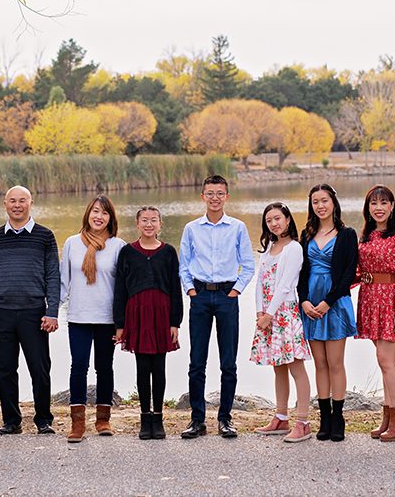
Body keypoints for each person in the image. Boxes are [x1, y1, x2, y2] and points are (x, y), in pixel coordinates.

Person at [0, 185, 60, 435]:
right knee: (5, 369)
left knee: (39, 368)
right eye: (12, 201)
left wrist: (52, 311)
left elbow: (53, 275)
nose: (17, 205)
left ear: (30, 203)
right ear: (5, 204)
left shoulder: (45, 236)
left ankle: (43, 420)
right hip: (1, 312)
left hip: (34, 312)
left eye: (22, 200)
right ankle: (11, 421)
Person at [179, 174, 255, 439]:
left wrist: (235, 291)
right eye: (210, 193)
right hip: (200, 295)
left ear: (226, 197)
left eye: (219, 193)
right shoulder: (192, 228)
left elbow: (248, 264)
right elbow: (184, 264)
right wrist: (190, 290)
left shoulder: (237, 227)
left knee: (228, 362)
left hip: (226, 296)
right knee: (197, 361)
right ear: (203, 196)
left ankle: (225, 418)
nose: (215, 198)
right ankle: (197, 420)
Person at [355, 185, 395, 442]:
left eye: (384, 203)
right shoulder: (367, 236)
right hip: (370, 300)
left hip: (391, 301)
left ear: (392, 207)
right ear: (367, 208)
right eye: (374, 203)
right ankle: (388, 414)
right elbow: (357, 271)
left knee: (387, 360)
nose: (378, 208)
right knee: (383, 361)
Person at [59, 195, 127, 442]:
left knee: (104, 367)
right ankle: (77, 424)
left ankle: (103, 420)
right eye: (95, 211)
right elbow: (63, 282)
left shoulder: (118, 246)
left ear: (111, 218)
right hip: (78, 316)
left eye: (104, 213)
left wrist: (122, 323)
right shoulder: (72, 243)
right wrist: (50, 311)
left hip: (107, 318)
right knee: (78, 367)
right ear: (88, 214)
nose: (99, 217)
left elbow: (122, 288)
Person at [113, 206, 183, 440]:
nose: (149, 224)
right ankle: (145, 418)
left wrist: (175, 322)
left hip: (162, 314)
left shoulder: (168, 252)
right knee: (142, 367)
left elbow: (175, 289)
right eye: (144, 220)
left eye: (154, 220)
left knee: (159, 367)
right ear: (137, 224)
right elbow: (120, 289)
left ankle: (158, 418)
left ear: (160, 224)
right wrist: (120, 324)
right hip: (138, 314)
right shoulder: (127, 252)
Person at [297, 183, 358, 443]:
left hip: (335, 303)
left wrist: (328, 302)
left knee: (335, 363)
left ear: (333, 202)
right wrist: (304, 301)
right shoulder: (306, 234)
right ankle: (323, 418)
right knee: (319, 363)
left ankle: (338, 418)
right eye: (315, 202)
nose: (320, 206)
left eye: (324, 200)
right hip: (311, 304)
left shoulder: (347, 234)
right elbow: (301, 273)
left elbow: (349, 274)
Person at [249, 202, 313, 443]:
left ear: (287, 219)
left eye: (277, 218)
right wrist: (260, 312)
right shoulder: (269, 247)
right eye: (269, 220)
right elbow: (259, 282)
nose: (274, 224)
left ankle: (303, 422)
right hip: (267, 314)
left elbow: (285, 286)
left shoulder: (294, 248)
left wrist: (270, 314)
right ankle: (281, 417)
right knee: (278, 366)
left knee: (296, 367)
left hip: (284, 312)